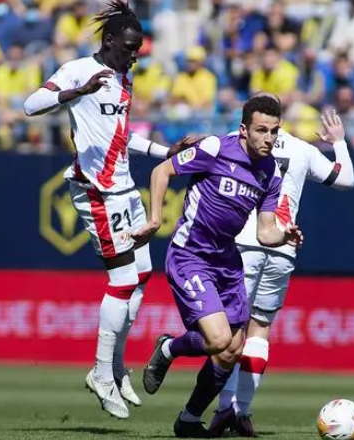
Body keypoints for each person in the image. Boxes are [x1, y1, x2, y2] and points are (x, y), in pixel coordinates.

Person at [23, 0, 171, 420]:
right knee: (122, 280)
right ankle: (101, 373)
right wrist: (78, 92)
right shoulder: (76, 70)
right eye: (128, 47)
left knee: (143, 276)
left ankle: (117, 366)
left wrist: (165, 150)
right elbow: (31, 106)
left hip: (126, 190)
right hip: (96, 191)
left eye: (138, 48)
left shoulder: (126, 76)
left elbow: (121, 137)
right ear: (108, 41)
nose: (133, 54)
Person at [136, 96, 303, 438]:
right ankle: (168, 348)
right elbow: (161, 170)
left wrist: (285, 235)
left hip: (227, 263)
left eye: (274, 131)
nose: (269, 138)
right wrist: (155, 218)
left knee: (231, 351)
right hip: (190, 256)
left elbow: (264, 230)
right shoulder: (215, 148)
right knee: (218, 339)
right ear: (244, 130)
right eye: (261, 130)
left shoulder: (270, 172)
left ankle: (188, 419)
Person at [209, 102, 354, 438]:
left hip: (244, 242)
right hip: (282, 246)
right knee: (259, 329)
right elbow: (345, 179)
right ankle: (242, 412)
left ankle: (222, 410)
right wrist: (339, 142)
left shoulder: (235, 140)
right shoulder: (303, 150)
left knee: (230, 332)